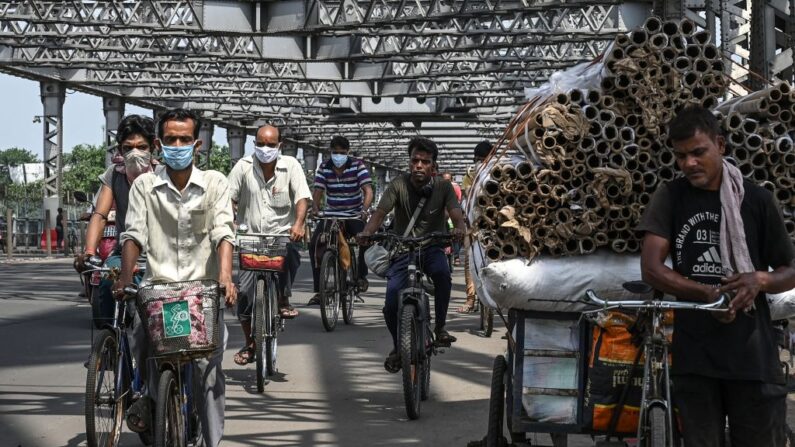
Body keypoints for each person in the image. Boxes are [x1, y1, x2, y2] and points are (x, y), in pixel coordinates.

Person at [636, 106, 795, 447]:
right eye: (680, 156)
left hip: (752, 359)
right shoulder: (671, 197)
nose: (689, 163)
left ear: (720, 145)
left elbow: (789, 269)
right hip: (696, 359)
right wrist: (707, 295)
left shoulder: (756, 200)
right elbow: (651, 268)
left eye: (698, 152)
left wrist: (759, 280)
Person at [113, 108, 237, 446]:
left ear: (197, 144)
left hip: (203, 294)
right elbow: (133, 236)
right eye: (171, 139)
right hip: (158, 292)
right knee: (143, 345)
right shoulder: (144, 187)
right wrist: (126, 278)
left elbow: (223, 232)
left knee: (208, 375)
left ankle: (212, 442)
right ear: (159, 144)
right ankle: (153, 405)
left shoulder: (215, 183)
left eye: (185, 139)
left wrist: (225, 275)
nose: (178, 145)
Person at [358, 137, 466, 373]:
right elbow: (380, 212)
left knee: (442, 275)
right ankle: (399, 348)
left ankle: (440, 328)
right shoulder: (398, 185)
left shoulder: (443, 187)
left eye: (424, 162)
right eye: (415, 160)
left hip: (431, 247)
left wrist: (459, 228)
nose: (418, 165)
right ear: (409, 162)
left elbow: (456, 213)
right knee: (389, 305)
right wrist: (367, 232)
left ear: (433, 167)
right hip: (403, 249)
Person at [227, 124, 311, 366]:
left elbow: (302, 197)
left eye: (271, 144)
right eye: (261, 144)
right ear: (254, 144)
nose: (265, 148)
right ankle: (249, 343)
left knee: (292, 253)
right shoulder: (243, 167)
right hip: (250, 237)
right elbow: (229, 198)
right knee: (243, 291)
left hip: (281, 235)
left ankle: (283, 298)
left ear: (279, 146)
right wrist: (230, 220)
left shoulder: (291, 166)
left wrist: (298, 223)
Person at [74, 115, 159, 324]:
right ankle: (108, 344)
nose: (135, 152)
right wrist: (89, 252)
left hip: (159, 257)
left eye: (142, 146)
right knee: (105, 282)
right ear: (120, 150)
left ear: (153, 148)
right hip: (122, 254)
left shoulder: (163, 175)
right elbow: (100, 215)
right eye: (128, 147)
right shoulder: (114, 174)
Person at [307, 135, 373, 305]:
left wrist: (364, 210)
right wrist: (315, 207)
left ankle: (361, 277)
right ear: (330, 152)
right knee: (315, 243)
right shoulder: (324, 167)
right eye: (335, 152)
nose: (338, 156)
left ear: (347, 152)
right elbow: (318, 191)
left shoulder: (357, 166)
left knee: (365, 238)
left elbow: (368, 191)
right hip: (332, 214)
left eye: (341, 152)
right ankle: (319, 290)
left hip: (353, 214)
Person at [457, 140, 491, 313]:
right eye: (478, 160)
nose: (480, 163)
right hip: (472, 223)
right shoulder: (470, 174)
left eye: (482, 159)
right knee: (470, 259)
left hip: (493, 223)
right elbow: (465, 198)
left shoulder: (497, 170)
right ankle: (470, 299)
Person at [440, 172, 462, 265]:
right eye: (444, 179)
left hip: (453, 213)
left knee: (455, 235)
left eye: (448, 180)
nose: (446, 181)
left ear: (451, 180)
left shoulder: (456, 188)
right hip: (441, 215)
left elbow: (459, 200)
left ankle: (456, 257)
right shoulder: (437, 188)